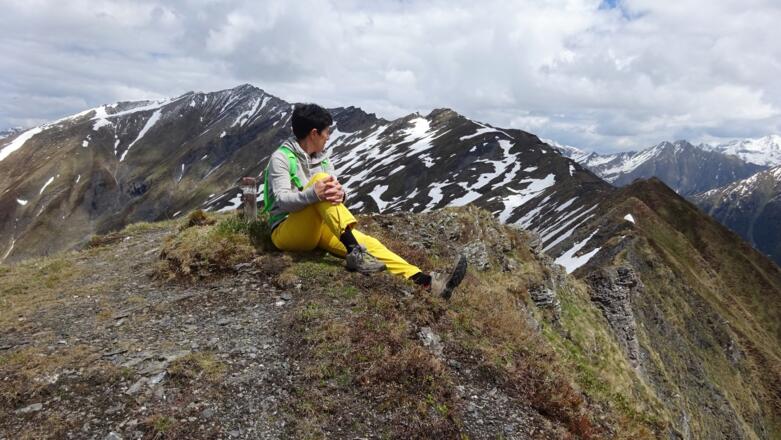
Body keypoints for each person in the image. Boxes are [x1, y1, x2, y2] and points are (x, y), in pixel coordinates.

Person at [262, 103, 467, 299]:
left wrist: (341, 195)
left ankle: (426, 282)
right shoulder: (281, 158)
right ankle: (355, 252)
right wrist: (314, 194)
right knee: (320, 181)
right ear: (314, 133)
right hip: (286, 231)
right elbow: (282, 202)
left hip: (318, 228)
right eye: (327, 132)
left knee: (371, 244)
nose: (329, 136)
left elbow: (335, 196)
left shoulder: (323, 159)